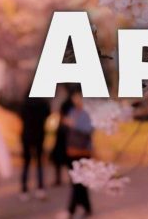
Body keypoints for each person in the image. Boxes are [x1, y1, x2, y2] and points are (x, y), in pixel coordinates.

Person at [63, 90, 93, 218]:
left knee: (78, 181)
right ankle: (87, 207)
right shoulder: (72, 111)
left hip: (83, 151)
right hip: (72, 150)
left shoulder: (87, 112)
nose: (76, 100)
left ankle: (71, 210)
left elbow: (89, 129)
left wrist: (74, 124)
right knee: (78, 181)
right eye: (74, 97)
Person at [19, 94, 50, 201]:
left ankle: (24, 189)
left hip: (26, 135)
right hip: (39, 135)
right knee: (39, 163)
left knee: (26, 164)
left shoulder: (25, 103)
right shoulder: (43, 103)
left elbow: (21, 115)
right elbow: (48, 114)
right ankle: (40, 188)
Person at [50, 97, 73, 186]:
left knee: (63, 161)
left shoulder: (64, 123)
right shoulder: (65, 123)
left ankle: (61, 179)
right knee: (67, 161)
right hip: (64, 142)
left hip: (63, 142)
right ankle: (70, 178)